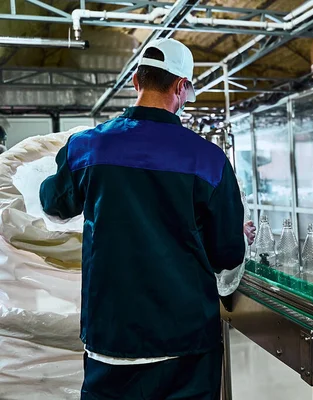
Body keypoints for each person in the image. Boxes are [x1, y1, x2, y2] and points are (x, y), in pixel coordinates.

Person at [39, 38, 255, 399]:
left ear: (137, 81)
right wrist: (236, 236)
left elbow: (54, 202)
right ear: (181, 87)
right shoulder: (208, 159)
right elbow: (227, 254)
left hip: (112, 337)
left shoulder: (87, 146)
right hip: (185, 343)